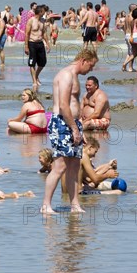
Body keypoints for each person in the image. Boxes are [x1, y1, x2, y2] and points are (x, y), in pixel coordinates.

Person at [41, 49, 98, 214]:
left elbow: (74, 105)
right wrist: (74, 128)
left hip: (72, 124)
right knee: (59, 166)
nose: (91, 70)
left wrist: (79, 128)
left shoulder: (74, 76)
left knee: (74, 166)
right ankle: (46, 205)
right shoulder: (66, 75)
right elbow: (64, 105)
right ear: (83, 60)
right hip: (62, 124)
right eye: (91, 65)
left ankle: (75, 204)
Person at [25, 5, 50, 87]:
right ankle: (34, 81)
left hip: (40, 43)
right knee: (32, 63)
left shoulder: (43, 21)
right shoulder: (31, 21)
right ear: (40, 12)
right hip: (32, 43)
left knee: (43, 62)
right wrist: (26, 46)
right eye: (43, 11)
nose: (44, 12)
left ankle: (35, 76)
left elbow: (44, 33)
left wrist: (47, 44)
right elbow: (27, 34)